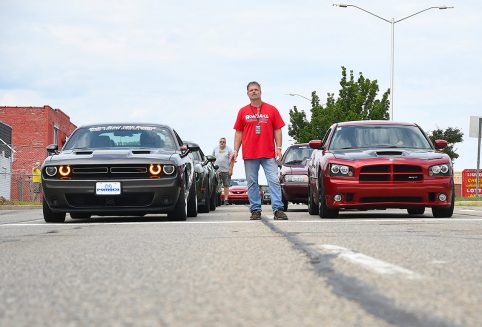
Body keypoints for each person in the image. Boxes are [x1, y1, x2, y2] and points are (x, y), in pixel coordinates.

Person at [230, 81, 288, 220]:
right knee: (252, 183)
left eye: (256, 89)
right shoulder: (243, 111)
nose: (254, 92)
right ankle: (255, 210)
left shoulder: (271, 109)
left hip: (268, 153)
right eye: (251, 90)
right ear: (247, 93)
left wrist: (278, 148)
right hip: (250, 153)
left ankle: (278, 209)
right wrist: (235, 150)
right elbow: (239, 132)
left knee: (273, 180)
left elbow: (277, 129)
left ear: (260, 92)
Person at [212, 137, 233, 205]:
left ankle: (226, 199)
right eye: (221, 141)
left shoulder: (229, 149)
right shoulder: (215, 149)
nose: (222, 143)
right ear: (219, 142)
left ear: (225, 143)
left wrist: (231, 169)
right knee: (215, 185)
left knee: (226, 185)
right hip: (216, 170)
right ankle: (215, 199)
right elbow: (212, 159)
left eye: (223, 142)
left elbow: (232, 160)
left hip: (226, 170)